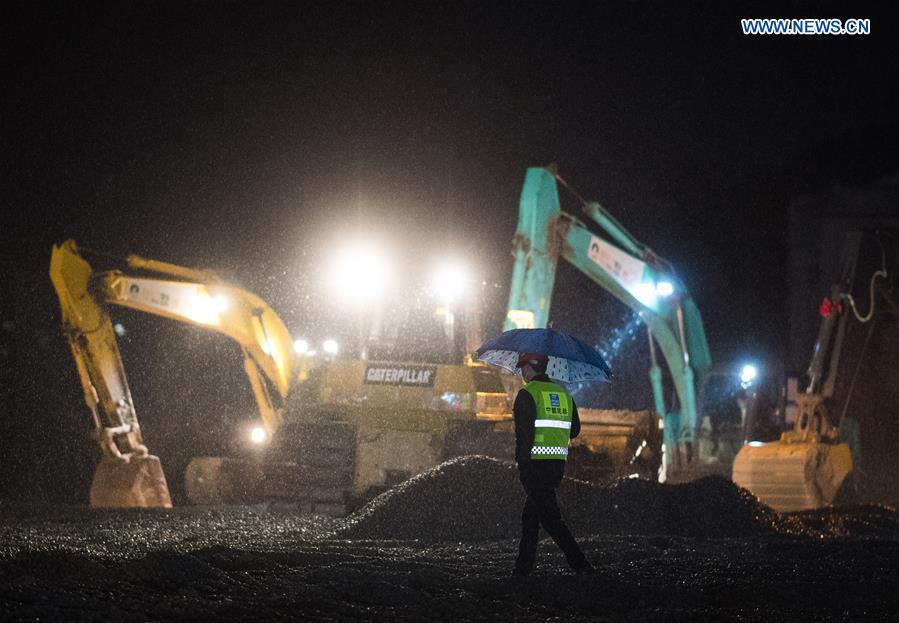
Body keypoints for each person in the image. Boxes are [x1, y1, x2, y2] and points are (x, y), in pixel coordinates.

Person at [512, 352, 592, 576]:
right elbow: (574, 431)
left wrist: (522, 465)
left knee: (550, 518)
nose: (521, 372)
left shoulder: (527, 394)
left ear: (529, 368)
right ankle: (522, 569)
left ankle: (581, 564)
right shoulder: (564, 393)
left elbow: (524, 436)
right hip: (556, 465)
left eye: (522, 367)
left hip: (534, 466)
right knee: (531, 516)